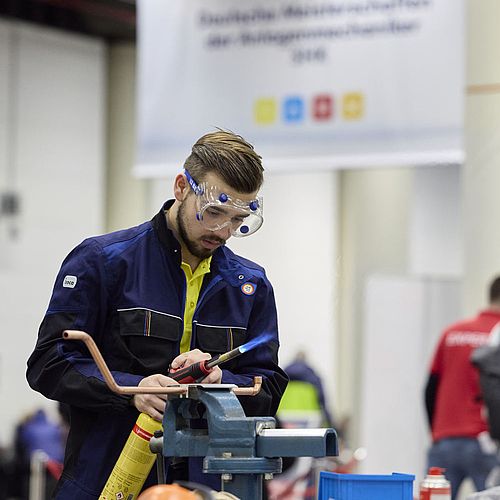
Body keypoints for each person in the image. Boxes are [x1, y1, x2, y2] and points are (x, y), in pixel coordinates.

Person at [26, 130, 289, 499]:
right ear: (181, 186)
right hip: (107, 477)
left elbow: (268, 386)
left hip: (210, 484)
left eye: (237, 219)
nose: (223, 231)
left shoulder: (250, 285)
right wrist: (131, 391)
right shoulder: (102, 262)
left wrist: (221, 379)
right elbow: (48, 364)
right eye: (213, 212)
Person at [424, 275, 500, 499]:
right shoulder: (496, 336)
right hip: (484, 440)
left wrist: (437, 433)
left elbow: (430, 389)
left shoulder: (452, 332)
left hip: (445, 438)